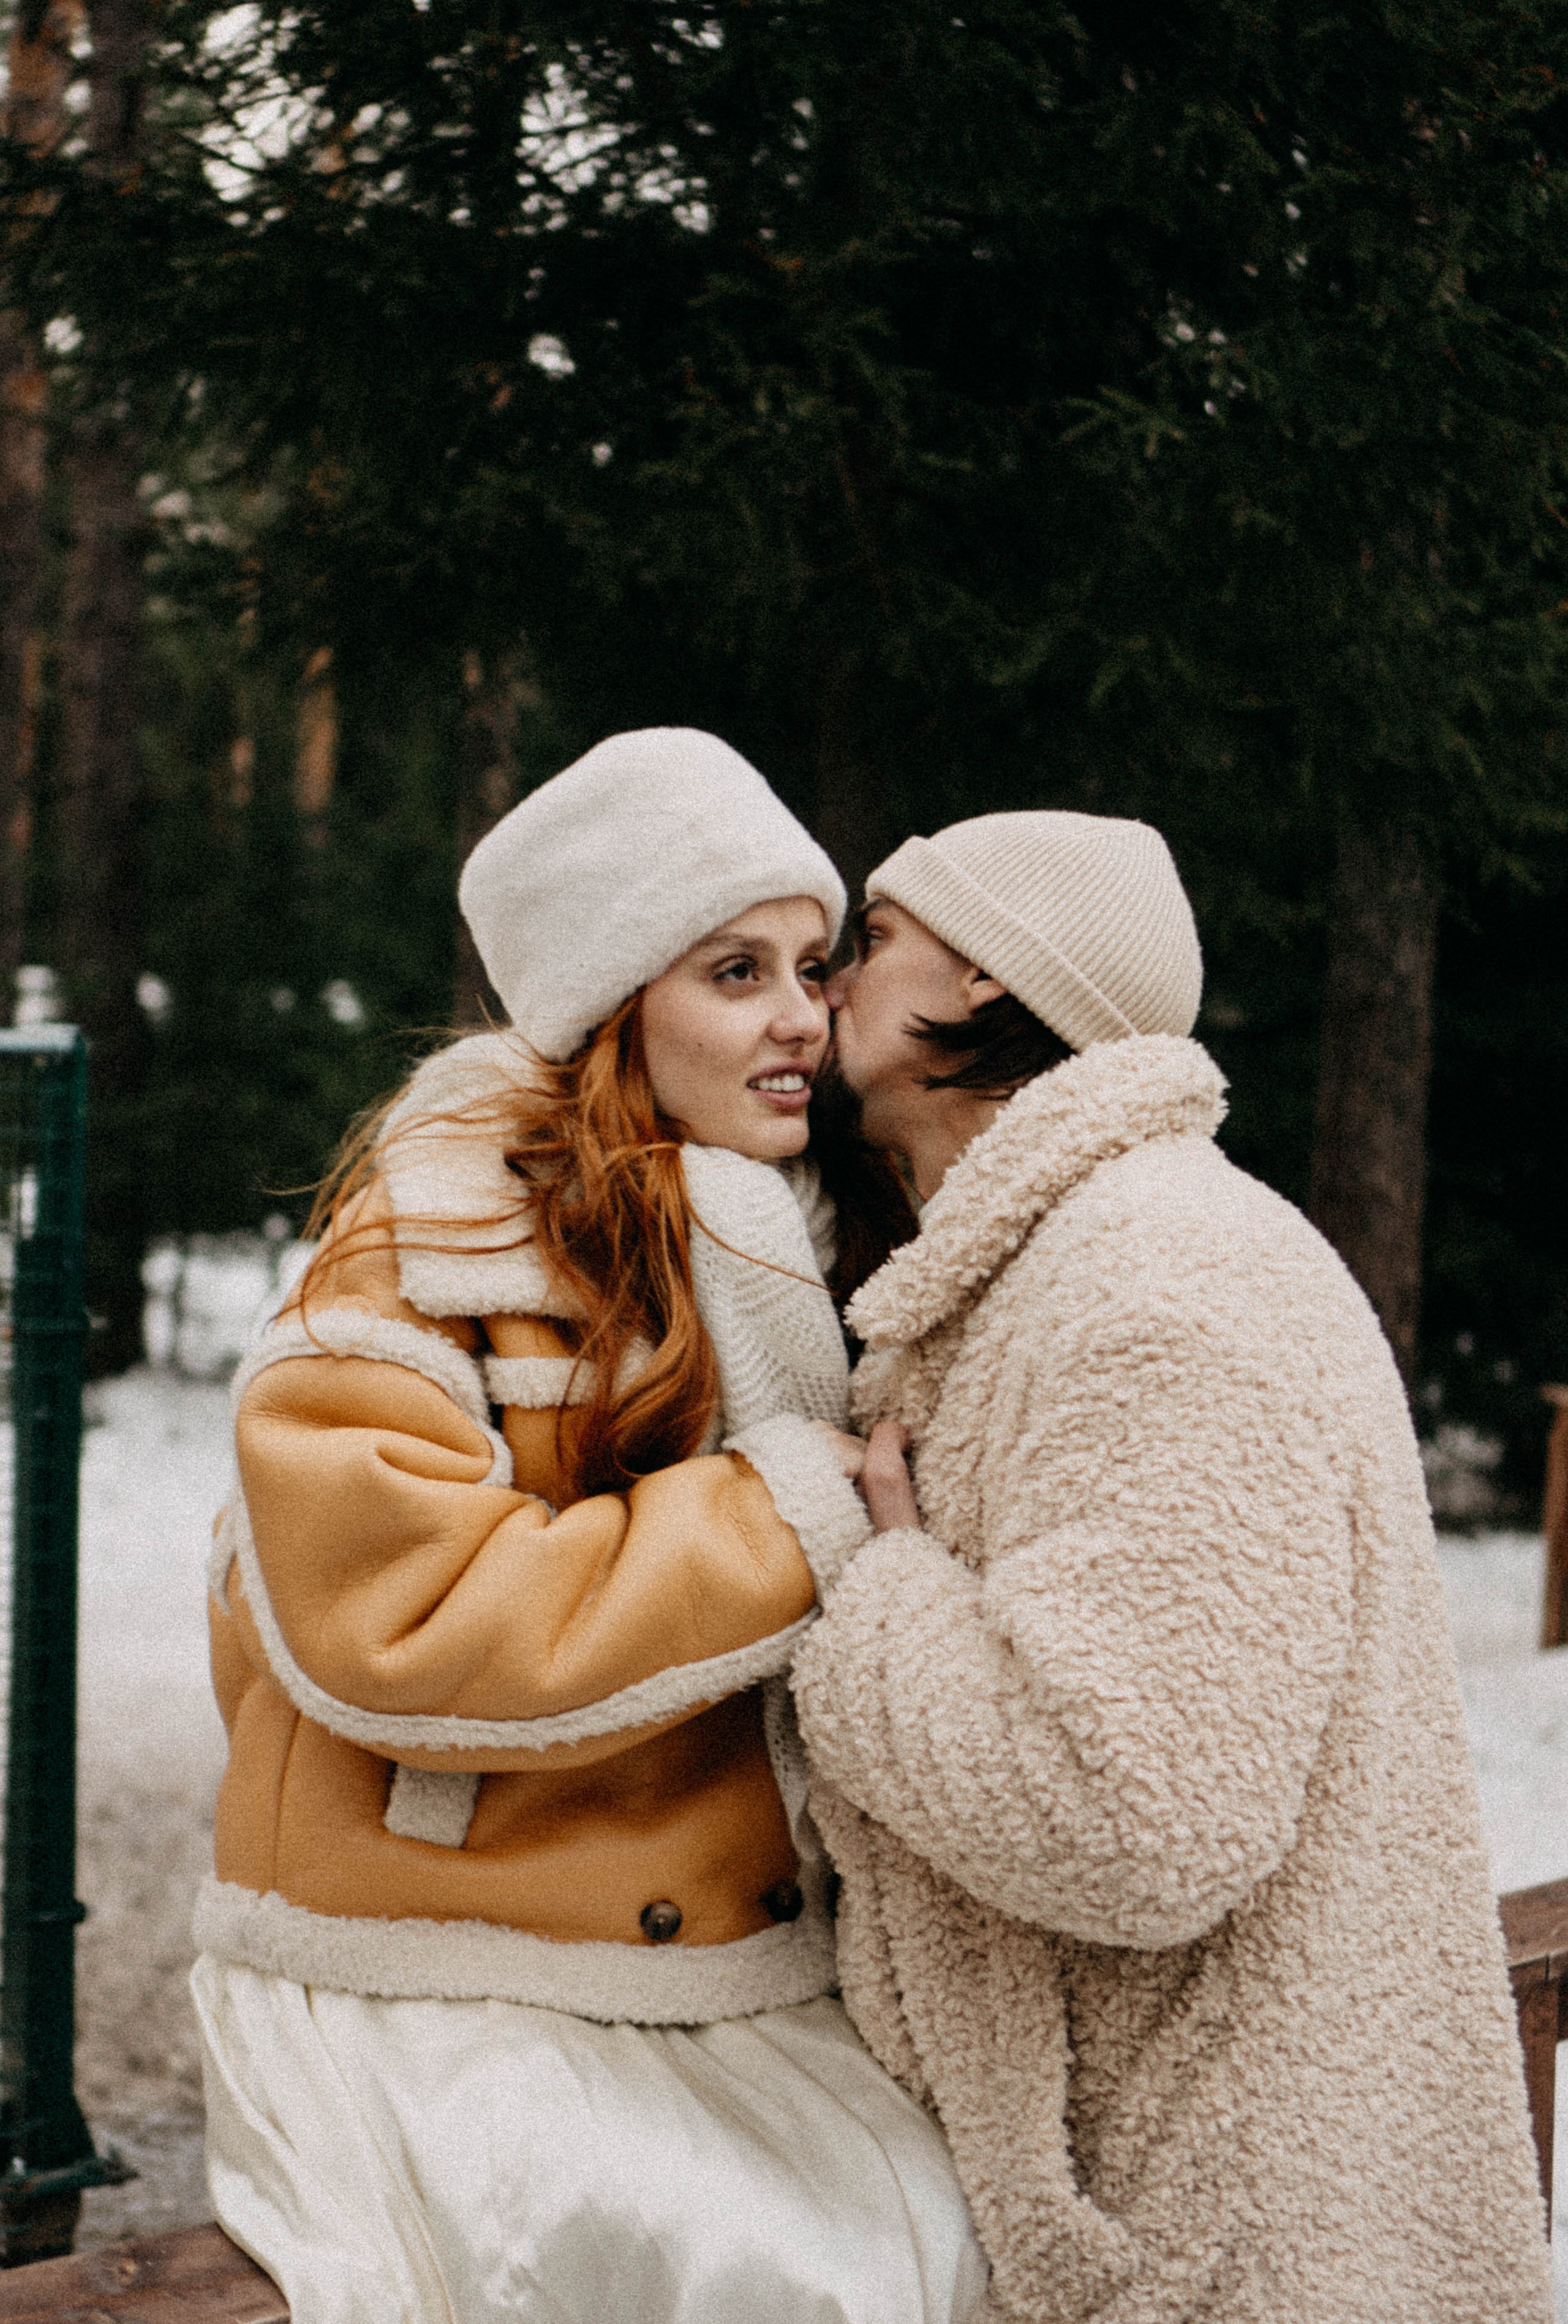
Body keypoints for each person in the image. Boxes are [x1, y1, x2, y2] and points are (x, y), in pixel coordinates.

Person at [191, 728, 987, 2324]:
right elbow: (396, 1616)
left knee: (952, 2239)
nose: (797, 1014)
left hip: (724, 1953)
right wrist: (786, 1514)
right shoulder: (430, 1244)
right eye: (732, 969)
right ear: (615, 1003)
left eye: (814, 963)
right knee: (757, 2270)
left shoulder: (794, 1236)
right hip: (446, 1955)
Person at [792, 810, 1553, 2324]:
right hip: (1189, 2209)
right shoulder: (1065, 1261)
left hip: (1252, 2241)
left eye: (874, 938)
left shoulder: (1161, 1276)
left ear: (1001, 982)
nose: (824, 977)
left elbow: (1136, 1815)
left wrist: (871, 1591)